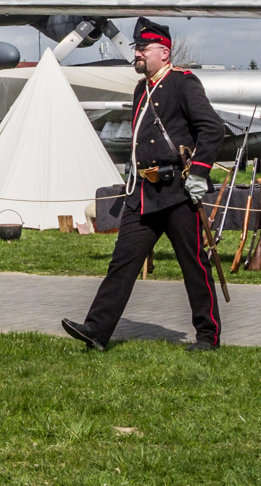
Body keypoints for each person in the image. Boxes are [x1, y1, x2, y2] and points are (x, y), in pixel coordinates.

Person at [62, 18, 228, 352]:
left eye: (143, 48)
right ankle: (97, 330)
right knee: (122, 262)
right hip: (143, 193)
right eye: (136, 47)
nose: (136, 53)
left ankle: (208, 335)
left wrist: (198, 172)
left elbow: (212, 128)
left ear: (163, 52)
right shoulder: (143, 88)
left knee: (194, 264)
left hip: (178, 192)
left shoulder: (183, 82)